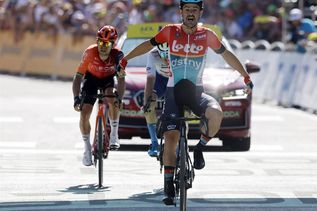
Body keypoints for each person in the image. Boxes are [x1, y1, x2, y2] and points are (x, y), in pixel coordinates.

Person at [119, 0, 254, 205]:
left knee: (216, 113)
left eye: (194, 10)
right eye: (187, 10)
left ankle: (199, 147)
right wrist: (125, 59)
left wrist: (245, 75)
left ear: (200, 13)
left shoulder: (207, 35)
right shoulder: (169, 32)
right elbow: (148, 45)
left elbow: (226, 55)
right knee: (171, 138)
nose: (190, 13)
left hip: (196, 92)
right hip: (173, 92)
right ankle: (168, 188)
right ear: (180, 12)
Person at [72, 25, 126, 166]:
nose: (103, 46)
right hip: (91, 79)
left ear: (113, 44)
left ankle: (114, 133)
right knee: (84, 114)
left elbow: (121, 79)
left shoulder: (118, 55)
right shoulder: (90, 53)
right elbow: (78, 77)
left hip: (108, 79)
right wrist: (76, 98)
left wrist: (120, 98)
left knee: (111, 97)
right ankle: (87, 149)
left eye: (107, 43)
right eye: (100, 42)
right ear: (97, 41)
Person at [143, 42, 171, 157]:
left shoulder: (179, 50)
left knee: (182, 107)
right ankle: (154, 142)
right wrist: (146, 102)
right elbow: (150, 80)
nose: (164, 59)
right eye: (161, 55)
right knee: (149, 105)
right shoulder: (153, 54)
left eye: (167, 55)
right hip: (159, 80)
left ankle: (181, 143)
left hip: (174, 79)